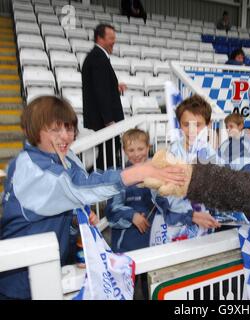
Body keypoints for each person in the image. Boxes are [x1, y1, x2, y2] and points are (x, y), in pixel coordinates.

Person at [0, 96, 186, 300]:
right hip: (20, 278)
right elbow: (78, 187)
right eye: (55, 129)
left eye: (69, 128)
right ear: (34, 130)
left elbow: (64, 199)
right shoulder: (30, 167)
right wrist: (140, 171)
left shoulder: (61, 154)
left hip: (49, 268)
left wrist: (74, 224)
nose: (65, 136)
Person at [150, 95, 221, 245]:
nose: (192, 130)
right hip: (174, 228)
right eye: (186, 124)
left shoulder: (214, 158)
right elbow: (158, 194)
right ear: (179, 125)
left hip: (204, 227)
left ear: (209, 125)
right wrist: (190, 215)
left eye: (198, 125)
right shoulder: (169, 155)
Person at [105, 128, 155, 299]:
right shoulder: (120, 177)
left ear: (148, 148)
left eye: (140, 149)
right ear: (124, 151)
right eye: (131, 150)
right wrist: (132, 216)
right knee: (128, 293)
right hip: (126, 249)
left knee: (151, 289)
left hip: (153, 245)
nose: (136, 154)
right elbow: (111, 212)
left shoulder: (156, 174)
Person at [82, 24, 127, 171]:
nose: (114, 41)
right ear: (100, 38)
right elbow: (100, 92)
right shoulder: (98, 58)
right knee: (106, 158)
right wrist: (108, 120)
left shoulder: (97, 57)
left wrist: (115, 86)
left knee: (107, 156)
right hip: (104, 122)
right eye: (111, 38)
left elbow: (100, 86)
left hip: (103, 120)